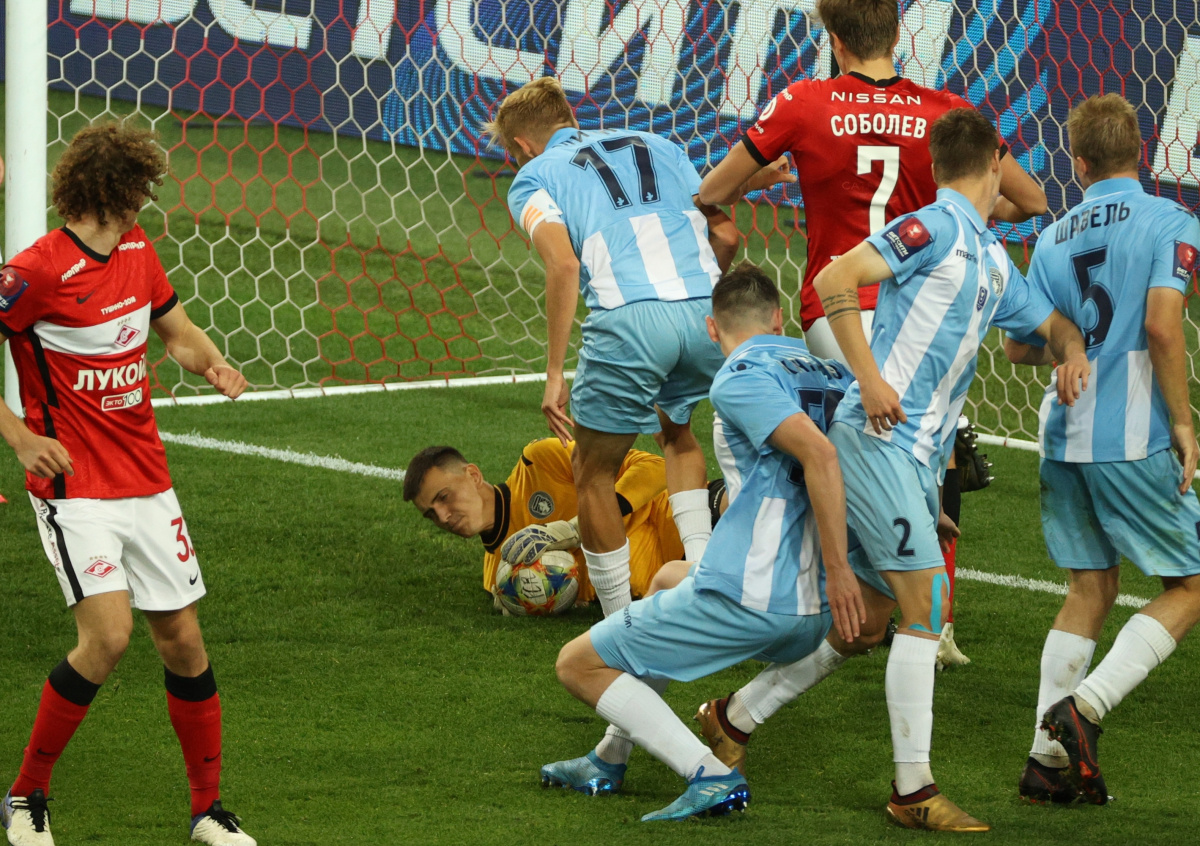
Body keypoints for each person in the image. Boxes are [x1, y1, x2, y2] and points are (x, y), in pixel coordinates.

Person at [699, 0, 1048, 667]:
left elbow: (710, 189)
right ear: (897, 34)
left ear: (834, 40)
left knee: (855, 447)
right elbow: (1029, 202)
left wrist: (764, 178)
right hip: (915, 311)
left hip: (835, 311)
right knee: (925, 445)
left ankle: (782, 560)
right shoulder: (945, 110)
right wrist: (966, 208)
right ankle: (929, 619)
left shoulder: (802, 102)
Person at [812, 107, 1090, 831]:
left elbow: (1050, 327)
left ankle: (733, 719)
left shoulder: (991, 258)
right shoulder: (931, 228)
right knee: (926, 607)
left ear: (936, 163)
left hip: (914, 461)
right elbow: (837, 277)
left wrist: (1072, 350)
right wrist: (868, 377)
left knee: (866, 623)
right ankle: (914, 791)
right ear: (997, 161)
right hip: (877, 439)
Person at [0, 123, 254, 846]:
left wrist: (211, 362)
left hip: (146, 479)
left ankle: (207, 811)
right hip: (75, 487)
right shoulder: (35, 272)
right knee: (108, 637)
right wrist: (21, 437)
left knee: (184, 642)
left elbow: (177, 332)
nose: (147, 200)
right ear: (119, 191)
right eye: (142, 188)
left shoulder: (138, 250)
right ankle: (25, 797)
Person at [548, 262, 867, 821]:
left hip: (755, 599)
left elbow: (817, 456)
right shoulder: (838, 375)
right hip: (815, 611)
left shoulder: (739, 379)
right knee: (667, 579)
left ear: (712, 329)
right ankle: (610, 756)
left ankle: (709, 773)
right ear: (779, 319)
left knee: (577, 664)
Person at [488, 77, 788, 627]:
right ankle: (701, 575)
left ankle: (619, 629)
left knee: (592, 472)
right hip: (707, 313)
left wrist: (554, 372)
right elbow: (725, 236)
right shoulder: (659, 145)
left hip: (630, 321)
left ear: (522, 146)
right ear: (567, 116)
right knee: (676, 432)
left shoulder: (535, 175)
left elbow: (564, 265)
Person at [1003, 94, 1200, 806]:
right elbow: (1162, 326)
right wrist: (1183, 423)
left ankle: (1045, 765)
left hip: (1063, 434)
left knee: (1090, 587)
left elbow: (1019, 346)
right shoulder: (1171, 220)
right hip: (1132, 435)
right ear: (1140, 152)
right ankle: (1083, 710)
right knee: (1192, 585)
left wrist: (1073, 346)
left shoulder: (1053, 237)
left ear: (1078, 162)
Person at [402, 439, 724, 606]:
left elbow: (654, 466)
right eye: (430, 513)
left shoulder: (539, 461)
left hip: (689, 519)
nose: (442, 517)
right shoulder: (500, 578)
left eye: (444, 497)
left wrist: (580, 527)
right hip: (673, 587)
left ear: (473, 475)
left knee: (744, 508)